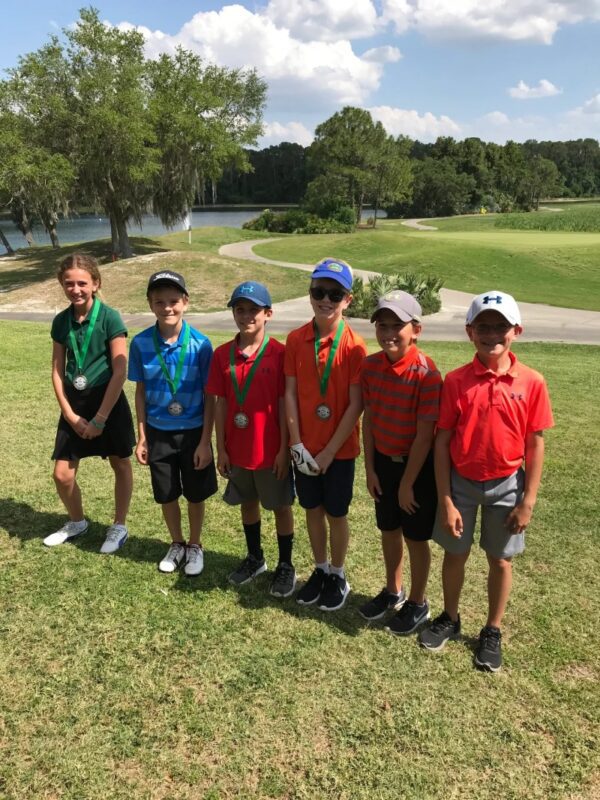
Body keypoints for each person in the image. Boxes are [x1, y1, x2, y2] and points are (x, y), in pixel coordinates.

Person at [419, 291, 554, 671]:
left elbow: (535, 442)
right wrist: (445, 499)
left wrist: (528, 500)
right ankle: (450, 615)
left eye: (500, 326)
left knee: (500, 559)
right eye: (483, 326)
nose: (492, 334)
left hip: (507, 484)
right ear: (469, 332)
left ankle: (492, 629)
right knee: (455, 553)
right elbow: (442, 441)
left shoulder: (532, 382)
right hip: (461, 482)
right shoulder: (457, 381)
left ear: (517, 331)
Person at [285, 258, 367, 611]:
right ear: (310, 293)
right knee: (311, 510)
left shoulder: (354, 346)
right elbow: (288, 393)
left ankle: (338, 573)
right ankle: (319, 569)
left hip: (339, 450)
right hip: (304, 447)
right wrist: (296, 443)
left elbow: (355, 405)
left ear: (347, 299)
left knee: (336, 513)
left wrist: (330, 452)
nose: (326, 300)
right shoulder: (294, 339)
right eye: (319, 291)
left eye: (335, 294)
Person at [360, 291, 442, 634]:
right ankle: (394, 590)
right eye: (383, 325)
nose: (389, 332)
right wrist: (370, 469)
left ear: (417, 329)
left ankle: (418, 602)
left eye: (398, 325)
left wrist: (408, 483)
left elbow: (425, 437)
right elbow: (369, 421)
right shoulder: (370, 366)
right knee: (389, 530)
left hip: (417, 470)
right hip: (384, 464)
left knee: (415, 537)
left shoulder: (427, 374)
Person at [207, 281, 295, 596]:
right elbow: (222, 403)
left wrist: (284, 450)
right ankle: (255, 557)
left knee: (281, 506)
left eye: (253, 310)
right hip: (238, 448)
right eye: (240, 309)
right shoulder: (221, 356)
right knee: (247, 502)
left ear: (268, 313)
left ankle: (286, 565)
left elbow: (286, 403)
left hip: (271, 450)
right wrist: (221, 448)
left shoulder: (280, 354)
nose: (246, 316)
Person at [128, 270, 217, 576]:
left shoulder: (202, 345)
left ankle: (194, 544)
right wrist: (142, 437)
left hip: (193, 432)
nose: (168, 307)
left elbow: (211, 398)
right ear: (150, 304)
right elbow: (139, 393)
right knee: (166, 493)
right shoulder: (140, 344)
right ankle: (176, 542)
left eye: (174, 301)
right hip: (158, 432)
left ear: (186, 302)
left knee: (194, 492)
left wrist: (206, 441)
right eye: (159, 301)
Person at [44, 253, 134, 553]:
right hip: (75, 404)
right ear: (62, 284)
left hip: (107, 401)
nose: (76, 289)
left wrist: (100, 419)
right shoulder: (61, 321)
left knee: (120, 464)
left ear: (95, 283)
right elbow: (57, 371)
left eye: (82, 283)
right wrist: (70, 415)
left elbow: (120, 370)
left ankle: (119, 526)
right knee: (62, 474)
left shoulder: (110, 317)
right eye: (68, 283)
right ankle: (77, 522)